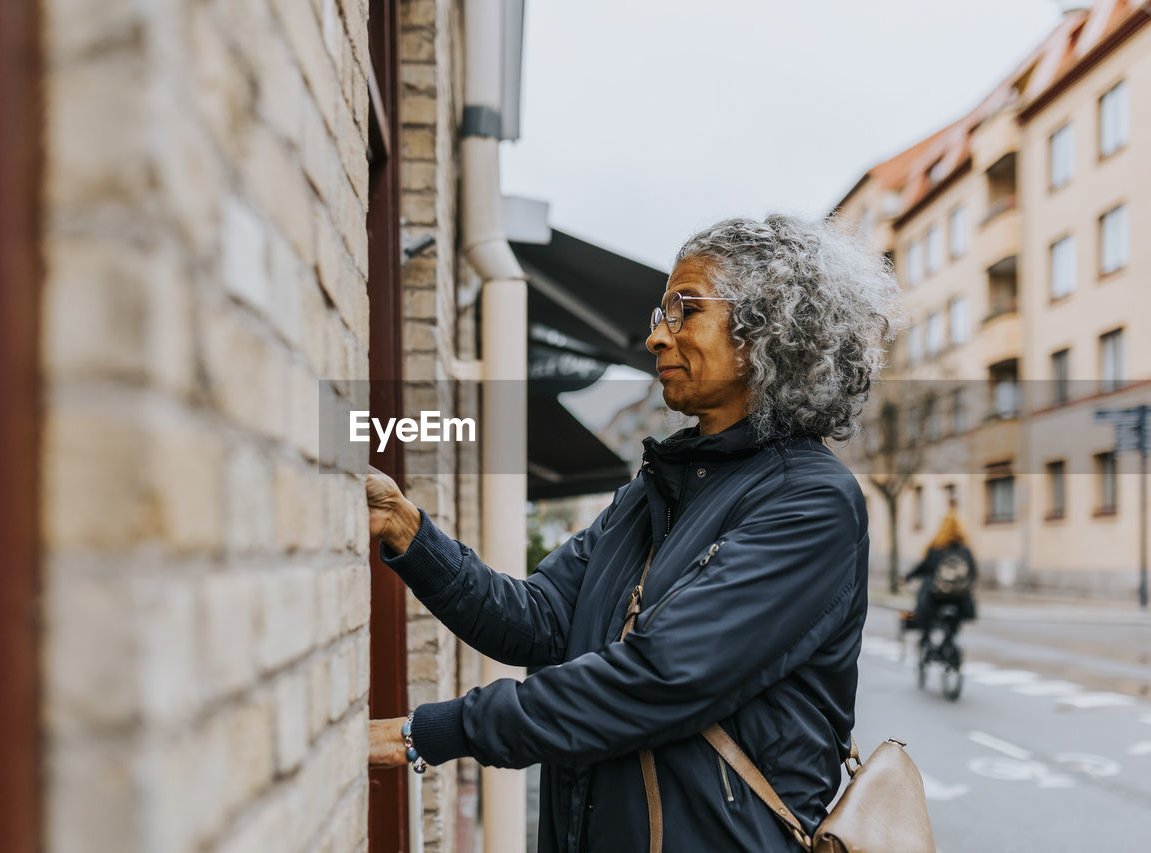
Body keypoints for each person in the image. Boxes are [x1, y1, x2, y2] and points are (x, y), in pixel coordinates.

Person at [366, 215, 904, 851]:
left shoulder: (811, 501)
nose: (655, 336)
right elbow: (536, 620)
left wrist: (426, 732)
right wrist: (406, 531)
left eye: (684, 311)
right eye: (661, 311)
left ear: (768, 332)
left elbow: (659, 676)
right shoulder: (655, 490)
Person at [905, 504, 978, 653]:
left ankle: (925, 638)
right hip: (959, 598)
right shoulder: (965, 551)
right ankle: (950, 640)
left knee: (923, 602)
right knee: (959, 610)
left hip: (936, 596)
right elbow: (973, 573)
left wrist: (907, 577)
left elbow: (923, 567)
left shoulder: (936, 549)